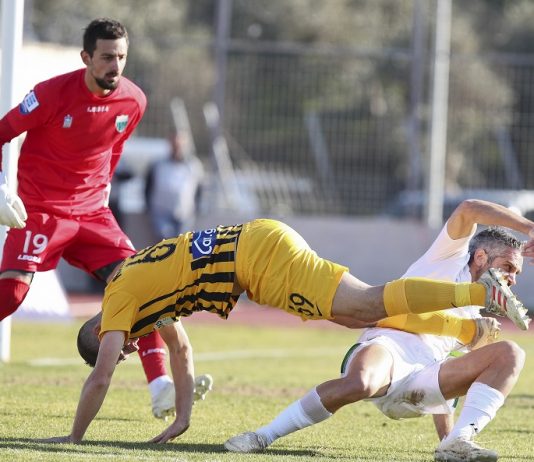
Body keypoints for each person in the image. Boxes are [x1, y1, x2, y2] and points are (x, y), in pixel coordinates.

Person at [39, 215, 528, 445]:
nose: (126, 348)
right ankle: (463, 323)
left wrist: (74, 439)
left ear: (99, 329)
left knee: (365, 304)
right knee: (353, 314)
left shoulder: (117, 301)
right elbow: (181, 351)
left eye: (120, 345)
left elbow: (101, 375)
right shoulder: (137, 293)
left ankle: (476, 294)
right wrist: (181, 418)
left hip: (257, 258)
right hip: (254, 253)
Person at [0, 17, 203, 420]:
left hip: (93, 213)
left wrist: (104, 186)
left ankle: (160, 386)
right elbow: (3, 131)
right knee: (12, 295)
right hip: (42, 210)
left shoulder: (135, 100)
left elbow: (115, 146)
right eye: (107, 57)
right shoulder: (50, 94)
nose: (116, 65)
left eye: (121, 57)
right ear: (86, 57)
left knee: (142, 285)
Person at [224, 200, 533, 461]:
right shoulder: (448, 256)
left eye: (517, 273)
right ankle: (263, 436)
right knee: (361, 382)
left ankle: (459, 441)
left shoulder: (477, 315)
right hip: (391, 349)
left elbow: (449, 371)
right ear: (480, 257)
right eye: (508, 267)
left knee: (510, 353)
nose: (513, 278)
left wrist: (447, 436)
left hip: (427, 377)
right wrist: (529, 228)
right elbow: (468, 208)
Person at [145, 130, 204, 241]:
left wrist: (196, 209)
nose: (177, 148)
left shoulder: (194, 165)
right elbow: (148, 187)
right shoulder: (158, 164)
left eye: (180, 145)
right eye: (175, 144)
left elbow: (199, 189)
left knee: (182, 244)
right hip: (161, 212)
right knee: (165, 242)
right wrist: (148, 208)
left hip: (185, 213)